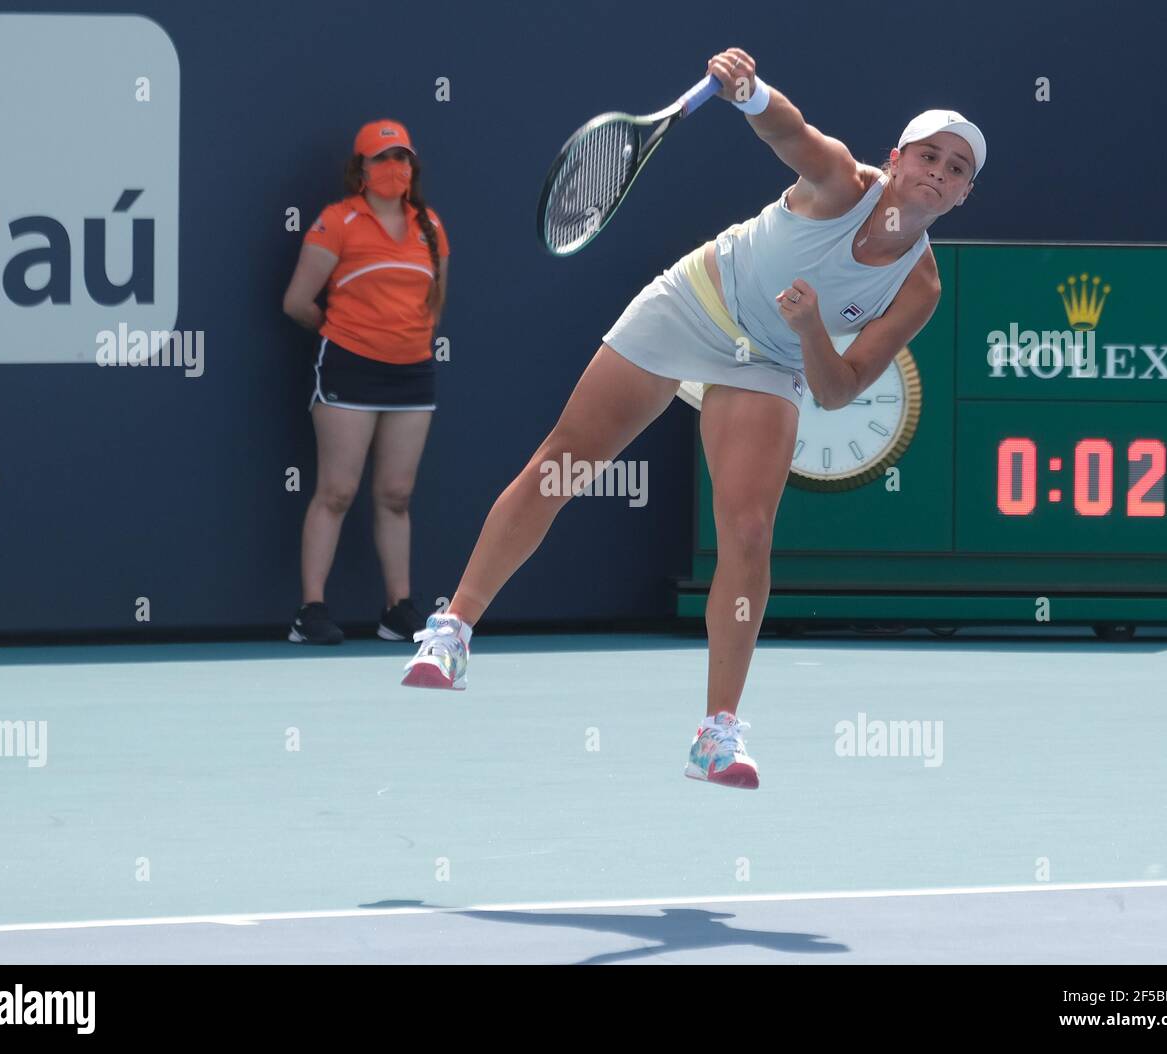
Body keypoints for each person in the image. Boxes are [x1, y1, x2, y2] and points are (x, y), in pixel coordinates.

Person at [401, 48, 985, 790]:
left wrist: (809, 330)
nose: (939, 171)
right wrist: (750, 93)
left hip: (768, 358)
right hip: (693, 305)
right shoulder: (842, 181)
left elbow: (838, 392)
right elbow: (789, 132)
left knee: (748, 533)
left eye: (957, 168)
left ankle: (716, 734)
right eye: (929, 155)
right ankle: (454, 629)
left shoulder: (920, 286)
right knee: (566, 462)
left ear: (964, 194)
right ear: (896, 160)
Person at [282, 120, 450, 644]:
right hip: (348, 369)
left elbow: (434, 304)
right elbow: (297, 302)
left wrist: (404, 338)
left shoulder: (429, 226)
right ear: (360, 169)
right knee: (336, 491)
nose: (394, 169)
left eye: (402, 158)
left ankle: (398, 610)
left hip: (413, 373)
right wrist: (348, 333)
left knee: (397, 494)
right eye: (382, 159)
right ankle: (310, 611)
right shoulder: (338, 222)